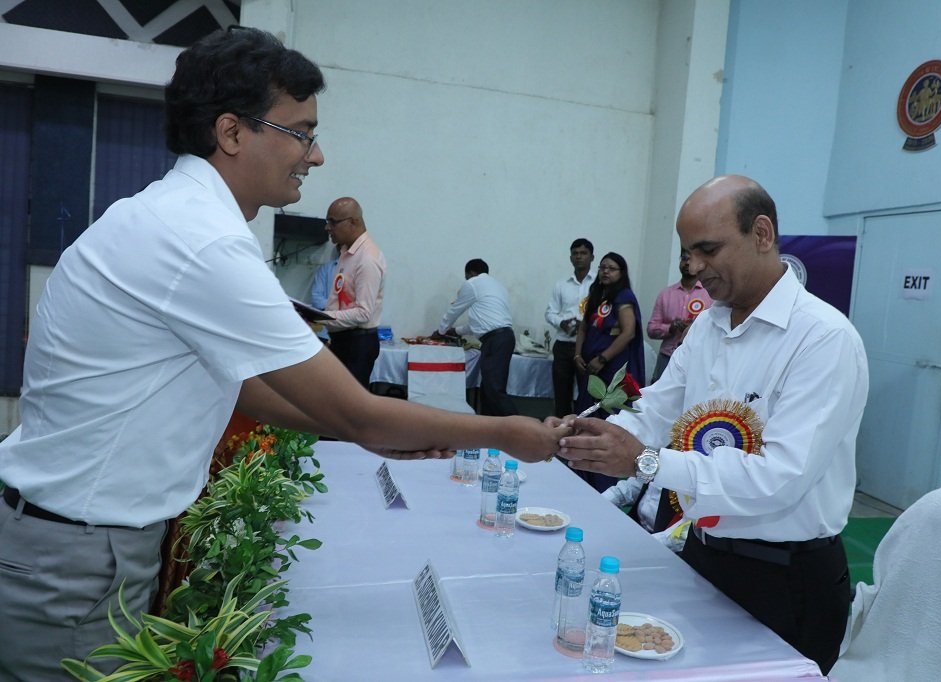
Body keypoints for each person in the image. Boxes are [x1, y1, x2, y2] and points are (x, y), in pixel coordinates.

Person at [0, 28, 568, 679]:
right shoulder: (200, 239)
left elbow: (243, 388)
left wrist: (359, 428)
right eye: (302, 132)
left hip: (77, 544)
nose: (317, 155)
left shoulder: (171, 216)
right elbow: (360, 413)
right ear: (233, 132)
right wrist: (505, 433)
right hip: (73, 559)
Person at [554, 175, 868, 674]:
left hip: (786, 576)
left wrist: (646, 461)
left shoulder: (823, 339)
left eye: (707, 249)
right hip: (705, 554)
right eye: (687, 251)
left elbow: (780, 478)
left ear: (761, 234)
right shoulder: (709, 325)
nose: (694, 268)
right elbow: (658, 406)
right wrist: (591, 436)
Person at [572, 251, 646, 492]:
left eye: (611, 268)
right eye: (603, 267)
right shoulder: (596, 295)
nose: (605, 271)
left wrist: (603, 359)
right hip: (589, 368)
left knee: (607, 420)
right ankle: (580, 473)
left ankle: (604, 483)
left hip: (611, 369)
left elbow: (628, 333)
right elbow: (583, 328)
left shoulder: (624, 296)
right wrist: (577, 354)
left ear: (621, 273)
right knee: (585, 416)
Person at [436, 259, 518, 416]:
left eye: (466, 277)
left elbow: (455, 310)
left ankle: (524, 430)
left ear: (469, 273)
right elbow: (481, 323)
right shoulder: (497, 287)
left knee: (494, 390)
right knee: (487, 390)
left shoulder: (472, 284)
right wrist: (456, 331)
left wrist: (441, 331)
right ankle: (490, 431)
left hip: (496, 340)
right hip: (503, 337)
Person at [320, 197, 385, 387]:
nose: (327, 227)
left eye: (333, 222)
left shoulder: (367, 258)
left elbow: (364, 313)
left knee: (349, 410)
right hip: (343, 339)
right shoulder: (347, 253)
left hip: (357, 343)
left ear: (353, 222)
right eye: (327, 222)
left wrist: (321, 317)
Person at [544, 238, 595, 417]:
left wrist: (586, 326)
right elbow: (550, 313)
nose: (579, 257)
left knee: (587, 393)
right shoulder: (561, 284)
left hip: (589, 346)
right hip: (564, 345)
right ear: (570, 258)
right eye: (575, 253)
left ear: (592, 257)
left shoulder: (599, 284)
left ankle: (583, 431)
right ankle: (560, 433)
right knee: (561, 394)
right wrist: (561, 323)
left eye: (583, 253)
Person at [646, 251, 712, 382]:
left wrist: (696, 327)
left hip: (697, 359)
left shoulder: (710, 294)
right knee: (659, 400)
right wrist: (670, 328)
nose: (687, 262)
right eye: (684, 259)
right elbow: (651, 329)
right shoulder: (665, 294)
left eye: (691, 259)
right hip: (667, 357)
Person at [601, 476, 690, 552]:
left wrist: (641, 545)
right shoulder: (663, 457)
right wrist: (598, 502)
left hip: (667, 548)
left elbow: (686, 531)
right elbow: (633, 486)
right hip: (634, 527)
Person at [308, 241, 340, 343]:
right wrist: (340, 307)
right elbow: (316, 299)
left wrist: (330, 306)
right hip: (325, 333)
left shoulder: (359, 270)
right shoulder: (326, 268)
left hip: (349, 332)